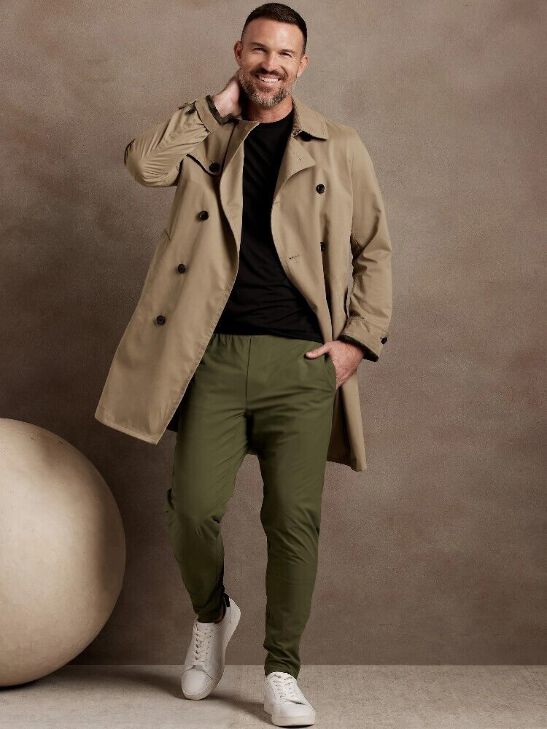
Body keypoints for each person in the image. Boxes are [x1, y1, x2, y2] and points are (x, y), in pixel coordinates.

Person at [99, 3, 393, 726]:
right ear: (239, 53)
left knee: (293, 520)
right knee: (192, 508)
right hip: (214, 355)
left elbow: (373, 248)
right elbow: (142, 165)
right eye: (259, 50)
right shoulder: (206, 133)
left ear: (303, 64)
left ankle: (281, 668)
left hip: (302, 361)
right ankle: (212, 614)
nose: (271, 64)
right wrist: (211, 108)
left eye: (285, 53)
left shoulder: (338, 145)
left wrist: (356, 341)